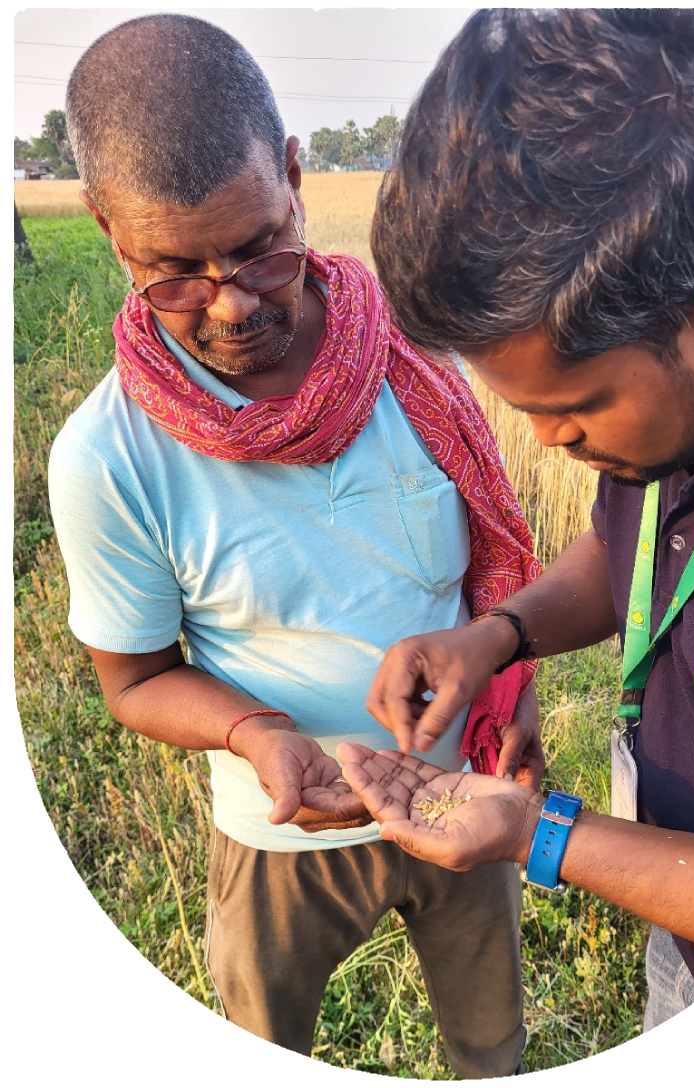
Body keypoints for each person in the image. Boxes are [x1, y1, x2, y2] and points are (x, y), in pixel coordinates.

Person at [336, 7, 694, 1031]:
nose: (546, 441)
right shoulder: (691, 393)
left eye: (571, 410)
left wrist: (540, 833)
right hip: (690, 924)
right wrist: (496, 636)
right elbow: (634, 547)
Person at [47, 13, 543, 1074]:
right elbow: (136, 680)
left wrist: (517, 699)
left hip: (461, 793)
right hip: (283, 830)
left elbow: (488, 570)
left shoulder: (412, 348)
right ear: (107, 229)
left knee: (490, 1044)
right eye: (174, 273)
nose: (231, 305)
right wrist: (261, 736)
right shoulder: (108, 458)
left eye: (259, 250)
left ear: (293, 175)